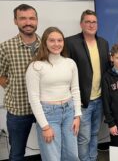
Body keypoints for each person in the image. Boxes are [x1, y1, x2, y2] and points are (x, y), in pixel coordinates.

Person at [25, 27, 81, 161]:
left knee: (72, 155)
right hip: (49, 115)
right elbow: (33, 99)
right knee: (52, 157)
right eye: (52, 40)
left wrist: (77, 115)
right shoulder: (35, 67)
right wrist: (45, 126)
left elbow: (75, 90)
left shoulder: (70, 63)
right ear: (45, 43)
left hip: (69, 112)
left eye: (60, 40)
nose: (56, 44)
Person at [65, 9, 110, 161]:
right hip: (83, 101)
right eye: (88, 22)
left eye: (94, 22)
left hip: (99, 99)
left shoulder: (103, 43)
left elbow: (107, 70)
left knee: (95, 134)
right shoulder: (70, 43)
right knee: (83, 137)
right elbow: (66, 72)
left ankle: (93, 158)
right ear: (81, 24)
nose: (91, 25)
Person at [0, 4, 39, 160]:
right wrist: (10, 87)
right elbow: (1, 74)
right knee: (17, 153)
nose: (28, 22)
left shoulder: (48, 45)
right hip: (18, 111)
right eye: (23, 18)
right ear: (15, 21)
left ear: (37, 20)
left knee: (50, 148)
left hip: (45, 109)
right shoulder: (5, 47)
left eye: (31, 18)